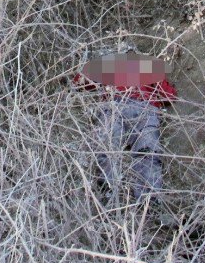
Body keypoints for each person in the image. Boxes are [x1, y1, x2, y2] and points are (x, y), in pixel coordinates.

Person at [73, 52, 178, 206]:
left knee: (109, 148)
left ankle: (110, 196)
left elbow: (80, 81)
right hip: (142, 107)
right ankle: (147, 202)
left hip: (119, 106)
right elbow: (168, 96)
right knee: (146, 152)